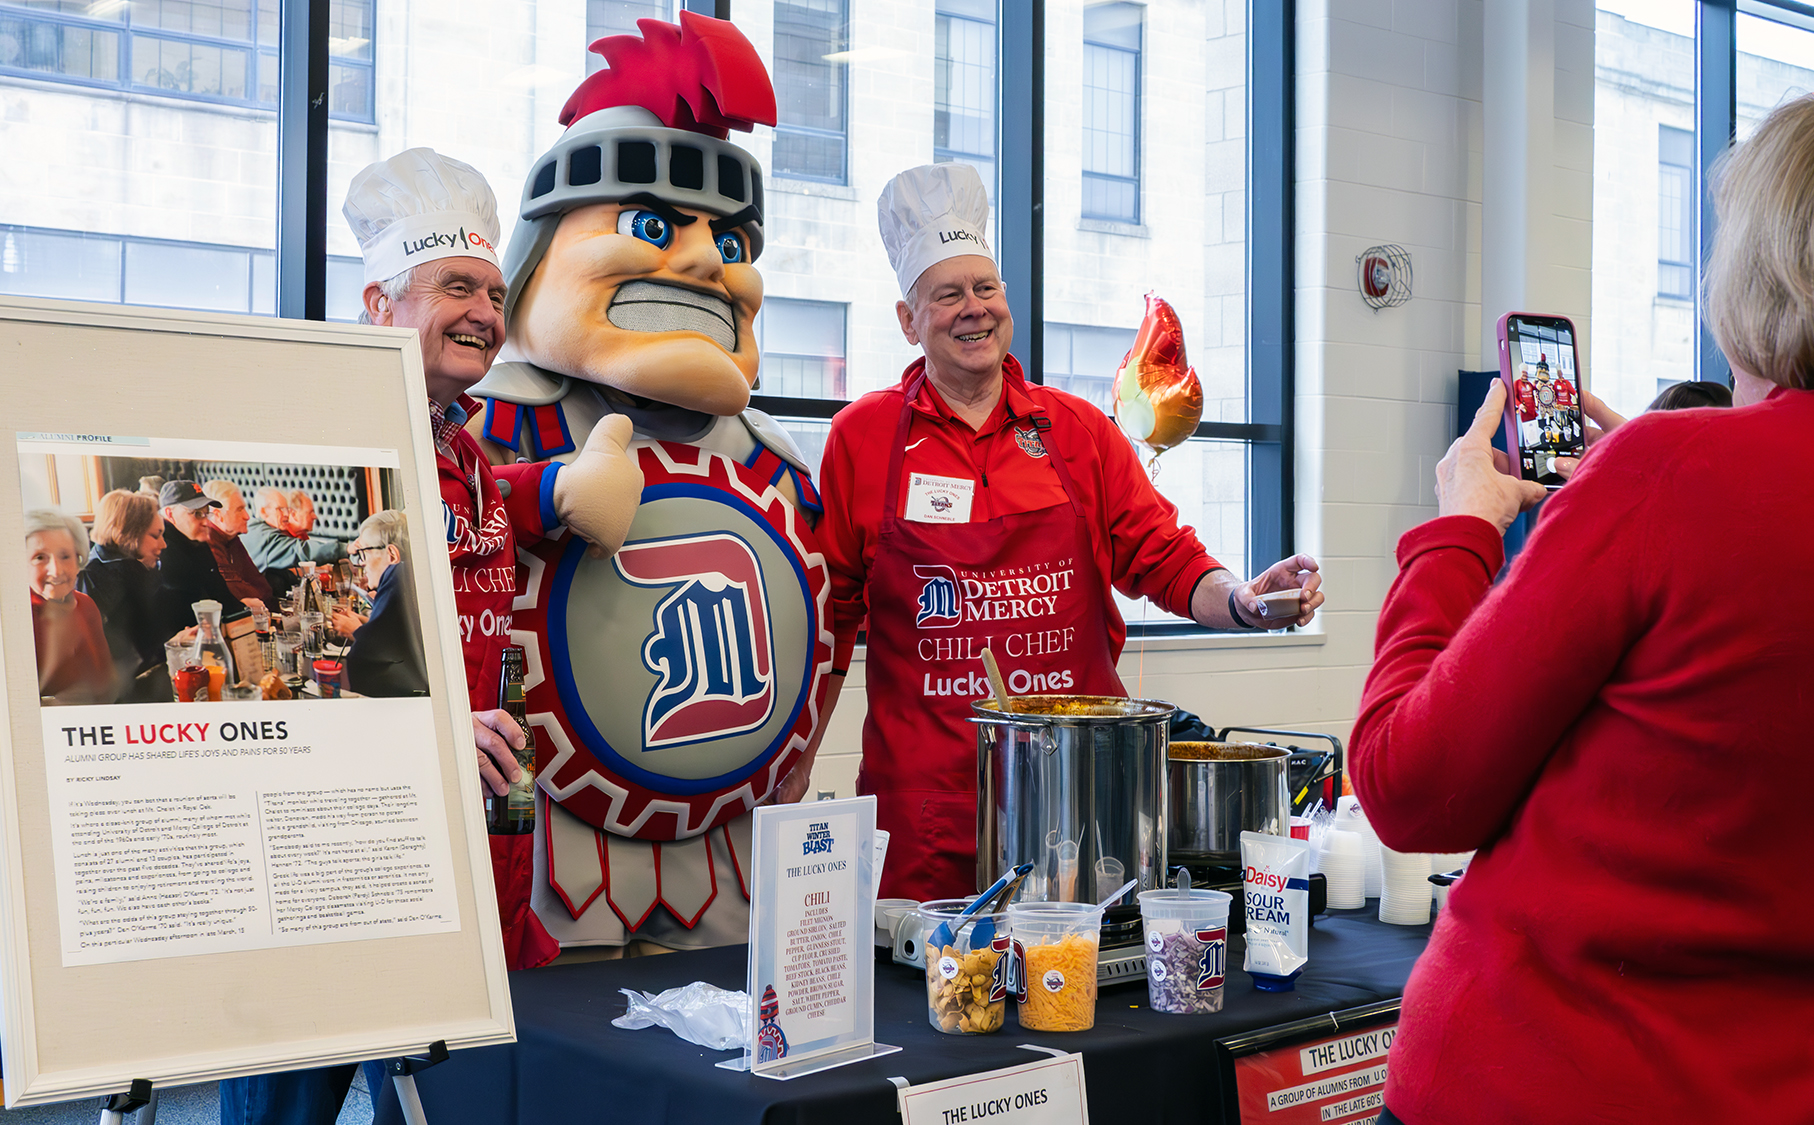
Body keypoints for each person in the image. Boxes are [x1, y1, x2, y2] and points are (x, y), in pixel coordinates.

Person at [1351, 95, 1814, 1124]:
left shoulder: (1670, 476)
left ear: (1756, 268)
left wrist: (1459, 531)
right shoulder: (1663, 481)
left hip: (1551, 1075)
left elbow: (1411, 791)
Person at [805, 162, 1325, 901]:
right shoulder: (864, 437)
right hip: (926, 818)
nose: (972, 309)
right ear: (907, 320)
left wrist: (1242, 599)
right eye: (947, 294)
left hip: (1080, 807)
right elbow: (830, 621)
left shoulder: (1075, 430)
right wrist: (792, 765)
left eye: (985, 288)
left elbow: (1165, 556)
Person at [466, 13, 826, 956]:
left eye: (733, 240)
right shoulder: (486, 421)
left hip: (725, 849)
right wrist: (545, 491)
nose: (711, 264)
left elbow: (824, 621)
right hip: (539, 840)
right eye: (654, 226)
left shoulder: (775, 456)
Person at [79, 489, 170, 693]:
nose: (163, 544)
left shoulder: (109, 566)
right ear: (130, 534)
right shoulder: (117, 577)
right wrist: (176, 643)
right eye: (156, 536)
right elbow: (139, 655)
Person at [336, 510, 428, 698]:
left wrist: (356, 631)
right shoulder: (411, 573)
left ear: (392, 554)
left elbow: (375, 650)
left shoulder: (398, 576)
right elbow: (395, 636)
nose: (361, 563)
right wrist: (367, 624)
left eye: (364, 553)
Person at [151, 480, 262, 635]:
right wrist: (240, 610)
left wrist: (242, 608)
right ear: (170, 514)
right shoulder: (164, 551)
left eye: (206, 513)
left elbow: (219, 592)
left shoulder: (196, 541)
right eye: (197, 514)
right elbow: (191, 614)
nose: (206, 522)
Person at [27, 509, 116, 704]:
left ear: (79, 560)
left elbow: (105, 683)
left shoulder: (86, 604)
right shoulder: (13, 620)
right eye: (40, 557)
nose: (56, 570)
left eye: (65, 556)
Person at [200, 480, 275, 608]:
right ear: (219, 515)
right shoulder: (209, 541)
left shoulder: (231, 537)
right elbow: (237, 592)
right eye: (239, 510)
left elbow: (262, 586)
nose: (247, 516)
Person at [244, 486, 342, 574]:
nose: (286, 514)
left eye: (287, 509)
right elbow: (301, 551)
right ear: (263, 512)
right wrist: (344, 549)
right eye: (280, 509)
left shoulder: (259, 529)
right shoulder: (266, 537)